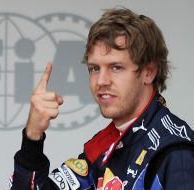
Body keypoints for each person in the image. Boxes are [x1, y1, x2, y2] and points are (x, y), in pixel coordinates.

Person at [10, 8, 194, 190]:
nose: (101, 81)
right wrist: (33, 136)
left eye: (116, 67)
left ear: (148, 72)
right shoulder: (108, 144)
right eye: (95, 68)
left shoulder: (175, 154)